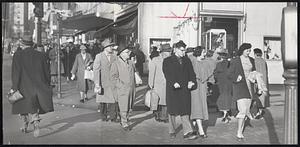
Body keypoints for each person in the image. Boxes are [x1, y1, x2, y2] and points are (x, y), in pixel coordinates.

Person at [10, 35, 53, 137]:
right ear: (32, 44)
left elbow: (16, 73)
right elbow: (46, 72)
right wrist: (47, 83)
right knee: (34, 105)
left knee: (22, 105)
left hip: (23, 86)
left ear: (22, 44)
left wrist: (14, 87)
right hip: (37, 86)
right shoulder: (41, 55)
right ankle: (36, 122)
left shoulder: (18, 55)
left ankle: (24, 124)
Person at [162, 40, 198, 140]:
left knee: (185, 110)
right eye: (182, 50)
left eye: (185, 51)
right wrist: (173, 82)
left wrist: (192, 81)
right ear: (175, 50)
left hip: (184, 90)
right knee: (172, 112)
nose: (184, 53)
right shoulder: (167, 61)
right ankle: (172, 130)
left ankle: (187, 132)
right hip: (173, 90)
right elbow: (167, 74)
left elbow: (192, 73)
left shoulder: (187, 60)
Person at [227, 43, 256, 140]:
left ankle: (241, 129)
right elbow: (229, 74)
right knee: (243, 110)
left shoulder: (252, 60)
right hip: (240, 87)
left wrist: (255, 79)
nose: (248, 52)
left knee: (246, 110)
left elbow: (254, 72)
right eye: (247, 50)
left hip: (250, 87)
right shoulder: (235, 60)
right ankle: (239, 132)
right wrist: (236, 78)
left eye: (249, 50)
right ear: (242, 50)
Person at [93, 38, 119, 122]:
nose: (112, 47)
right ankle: (103, 116)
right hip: (103, 83)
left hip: (113, 82)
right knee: (103, 102)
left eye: (112, 46)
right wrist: (97, 83)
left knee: (113, 100)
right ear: (105, 47)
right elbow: (96, 70)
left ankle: (113, 117)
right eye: (110, 46)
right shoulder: (99, 56)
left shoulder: (115, 56)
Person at [110, 45, 136, 131]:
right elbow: (113, 77)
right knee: (123, 106)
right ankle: (124, 123)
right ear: (121, 53)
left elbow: (134, 73)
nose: (129, 53)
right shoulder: (115, 63)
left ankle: (126, 119)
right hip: (122, 89)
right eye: (127, 52)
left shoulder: (131, 62)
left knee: (129, 105)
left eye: (129, 52)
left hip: (131, 88)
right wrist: (121, 86)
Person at [190, 46, 211, 138]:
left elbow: (208, 74)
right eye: (203, 52)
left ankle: (194, 126)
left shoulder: (205, 62)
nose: (205, 53)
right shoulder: (192, 61)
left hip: (202, 87)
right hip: (194, 87)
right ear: (199, 52)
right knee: (197, 107)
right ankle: (201, 130)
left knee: (201, 107)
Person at [148, 43, 172, 123]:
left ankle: (164, 117)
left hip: (167, 84)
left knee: (166, 101)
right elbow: (151, 73)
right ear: (163, 52)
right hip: (157, 84)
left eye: (170, 51)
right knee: (157, 101)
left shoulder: (170, 60)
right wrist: (151, 84)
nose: (170, 53)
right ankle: (157, 114)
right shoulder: (155, 60)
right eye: (168, 51)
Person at [214, 51, 232, 123]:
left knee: (222, 96)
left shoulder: (218, 64)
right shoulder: (230, 64)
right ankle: (227, 111)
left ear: (221, 57)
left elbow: (215, 74)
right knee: (228, 96)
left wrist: (217, 79)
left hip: (221, 83)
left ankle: (224, 113)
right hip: (229, 83)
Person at [252, 48, 270, 119]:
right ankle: (261, 110)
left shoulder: (254, 61)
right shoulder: (263, 61)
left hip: (258, 81)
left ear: (255, 54)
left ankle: (259, 112)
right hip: (264, 81)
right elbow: (266, 72)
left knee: (258, 97)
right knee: (262, 97)